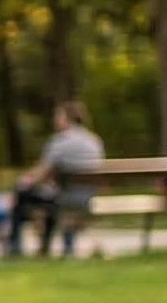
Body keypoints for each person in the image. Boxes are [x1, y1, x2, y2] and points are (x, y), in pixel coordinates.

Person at [6, 101, 106, 258]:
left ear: (68, 118)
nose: (55, 119)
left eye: (58, 116)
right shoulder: (94, 141)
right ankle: (58, 248)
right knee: (51, 198)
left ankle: (15, 246)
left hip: (63, 198)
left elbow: (41, 174)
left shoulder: (60, 142)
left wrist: (24, 182)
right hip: (87, 197)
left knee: (22, 194)